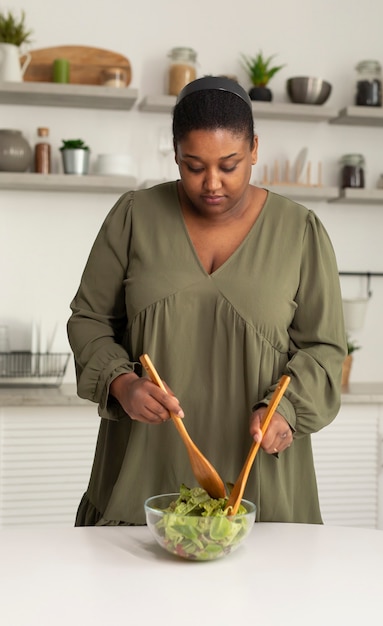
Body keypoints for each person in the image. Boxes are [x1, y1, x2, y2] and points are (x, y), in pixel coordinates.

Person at [68, 75, 346, 526]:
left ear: (254, 148)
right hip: (140, 481)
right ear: (175, 153)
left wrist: (287, 412)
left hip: (262, 486)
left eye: (230, 164)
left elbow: (325, 348)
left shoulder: (300, 233)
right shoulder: (134, 217)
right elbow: (89, 320)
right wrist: (123, 384)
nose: (211, 183)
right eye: (193, 166)